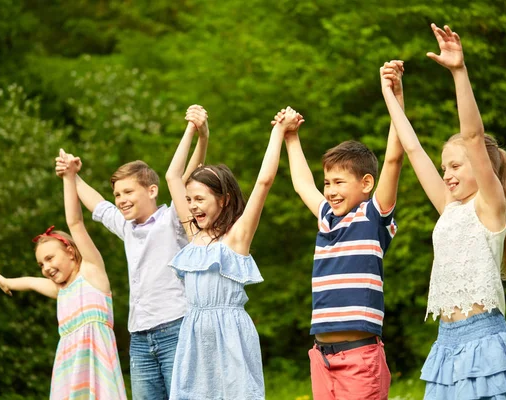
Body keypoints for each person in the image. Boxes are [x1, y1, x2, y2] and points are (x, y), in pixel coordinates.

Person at [381, 23, 506, 399]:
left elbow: (474, 137)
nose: (446, 174)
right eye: (445, 167)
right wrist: (393, 97)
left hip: (484, 344)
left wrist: (459, 72)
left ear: (483, 170)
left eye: (456, 166)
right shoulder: (450, 208)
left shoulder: (490, 206)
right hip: (446, 345)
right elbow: (413, 150)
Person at [54, 105, 209, 400]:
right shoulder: (126, 227)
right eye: (118, 194)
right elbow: (97, 204)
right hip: (139, 337)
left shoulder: (172, 218)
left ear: (151, 191)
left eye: (128, 192)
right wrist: (73, 175)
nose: (121, 200)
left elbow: (184, 175)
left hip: (176, 327)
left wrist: (199, 135)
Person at [279, 61, 405, 400]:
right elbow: (303, 184)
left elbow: (394, 158)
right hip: (321, 356)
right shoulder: (326, 219)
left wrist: (395, 96)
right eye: (328, 183)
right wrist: (291, 138)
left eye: (339, 182)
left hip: (360, 356)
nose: (330, 190)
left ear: (366, 183)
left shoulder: (373, 216)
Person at [165, 106, 303, 399]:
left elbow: (263, 182)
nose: (192, 206)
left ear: (224, 200)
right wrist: (194, 129)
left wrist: (278, 131)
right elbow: (172, 177)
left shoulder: (236, 238)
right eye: (189, 200)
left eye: (200, 199)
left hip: (230, 335)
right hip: (193, 335)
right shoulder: (194, 236)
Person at [0, 149, 127, 399]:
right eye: (41, 264)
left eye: (50, 258)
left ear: (69, 250)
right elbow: (32, 283)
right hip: (69, 371)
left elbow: (75, 222)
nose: (46, 268)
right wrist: (6, 281)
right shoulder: (60, 290)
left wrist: (68, 177)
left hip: (97, 367)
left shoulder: (91, 271)